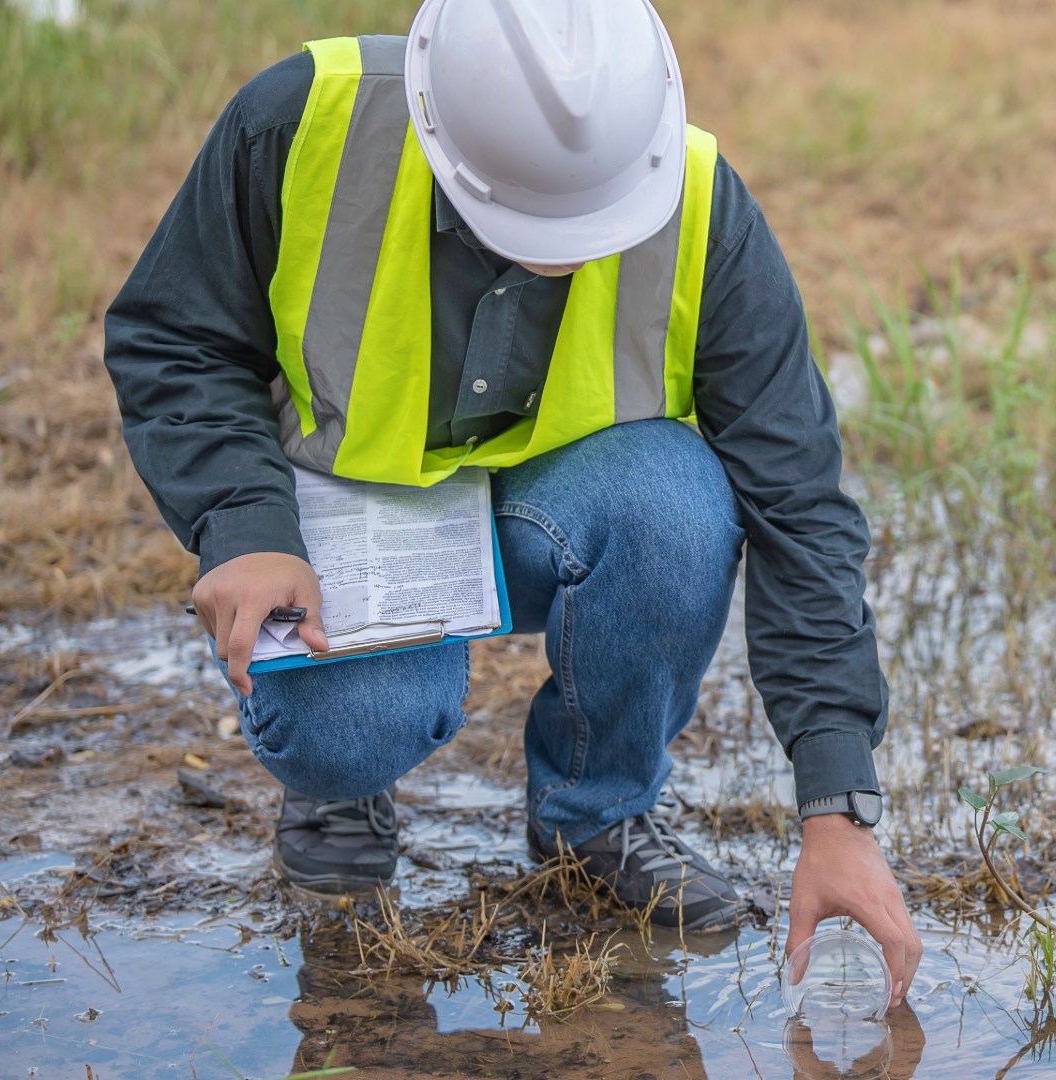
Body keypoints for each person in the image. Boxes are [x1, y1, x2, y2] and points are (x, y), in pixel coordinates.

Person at [103, 0, 920, 1004]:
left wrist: (836, 814)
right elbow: (174, 338)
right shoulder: (300, 122)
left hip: (560, 505)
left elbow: (797, 499)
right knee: (350, 728)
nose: (566, 251)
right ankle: (345, 792)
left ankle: (597, 814)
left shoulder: (702, 202)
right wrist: (243, 526)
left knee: (680, 499)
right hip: (344, 524)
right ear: (435, 127)